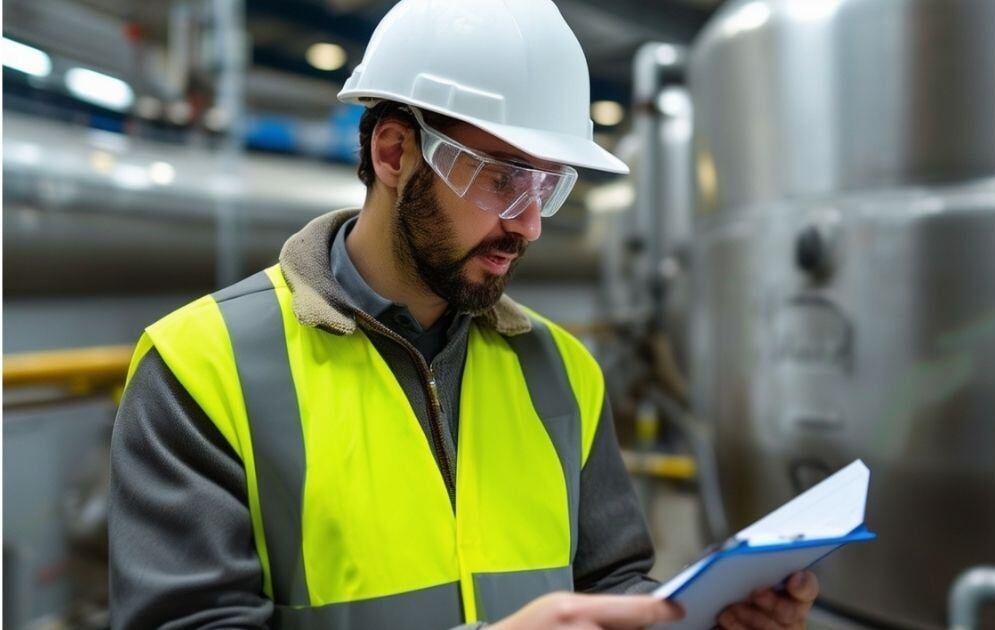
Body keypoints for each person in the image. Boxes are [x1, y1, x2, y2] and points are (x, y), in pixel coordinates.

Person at [108, 1, 819, 628]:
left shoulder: (563, 372)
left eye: (550, 183)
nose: (532, 223)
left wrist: (697, 619)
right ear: (394, 151)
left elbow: (610, 584)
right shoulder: (203, 367)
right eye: (505, 176)